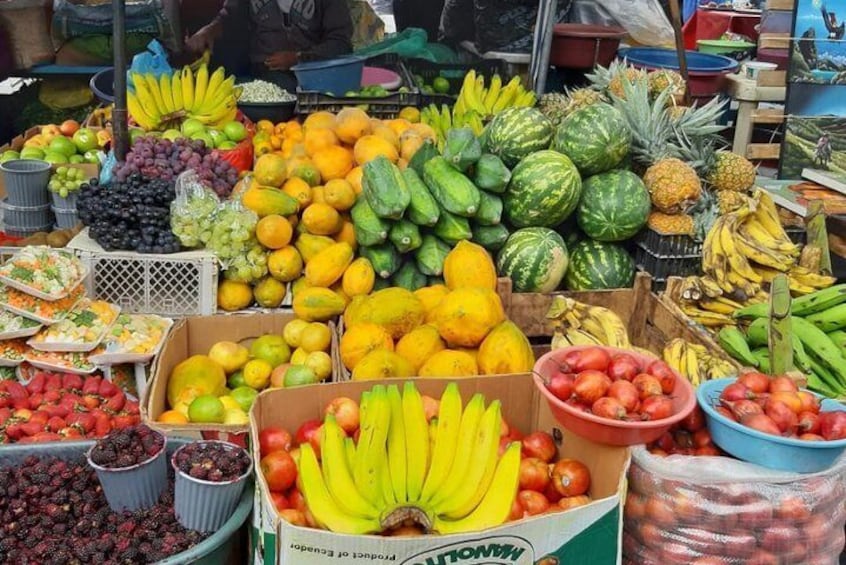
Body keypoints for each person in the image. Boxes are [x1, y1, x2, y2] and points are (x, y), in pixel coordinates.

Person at [185, 0, 354, 90]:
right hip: (265, 75)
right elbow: (230, 16)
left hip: (315, 76)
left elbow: (340, 42)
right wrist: (208, 31)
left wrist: (299, 58)